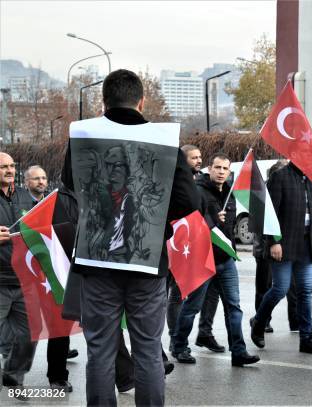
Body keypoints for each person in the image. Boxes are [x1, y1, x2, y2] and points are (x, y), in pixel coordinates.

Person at [61, 69, 200, 405]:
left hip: (97, 263)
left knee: (100, 351)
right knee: (149, 350)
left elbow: (68, 181)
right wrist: (155, 216)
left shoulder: (83, 135)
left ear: (103, 101)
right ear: (141, 100)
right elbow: (190, 201)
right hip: (147, 265)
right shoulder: (164, 140)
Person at [250, 162, 312, 354]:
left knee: (304, 292)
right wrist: (274, 242)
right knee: (279, 289)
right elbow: (269, 214)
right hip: (284, 244)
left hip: (306, 245)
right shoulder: (280, 177)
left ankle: (306, 338)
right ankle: (259, 323)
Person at [196, 153, 260, 367]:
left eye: (225, 168)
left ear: (230, 172)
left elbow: (230, 229)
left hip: (226, 258)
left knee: (233, 306)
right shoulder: (199, 192)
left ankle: (238, 352)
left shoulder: (230, 194)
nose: (221, 172)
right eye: (217, 167)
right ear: (210, 168)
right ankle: (179, 344)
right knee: (192, 306)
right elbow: (193, 223)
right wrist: (213, 219)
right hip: (204, 259)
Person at [23, 165, 75, 392]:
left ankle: (58, 376)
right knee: (23, 329)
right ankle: (14, 371)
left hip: (53, 275)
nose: (41, 182)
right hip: (25, 277)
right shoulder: (19, 206)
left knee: (59, 325)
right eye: (36, 179)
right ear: (26, 182)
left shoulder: (56, 204)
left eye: (44, 178)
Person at [0, 153, 37, 399]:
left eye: (12, 166)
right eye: (3, 167)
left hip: (24, 279)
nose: (9, 170)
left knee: (29, 335)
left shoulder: (26, 196)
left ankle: (13, 377)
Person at [253, 159, 299, 333]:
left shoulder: (292, 192)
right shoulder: (262, 194)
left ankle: (295, 321)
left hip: (289, 248)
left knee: (292, 287)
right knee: (264, 287)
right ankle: (262, 320)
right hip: (265, 248)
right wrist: (271, 244)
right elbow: (259, 224)